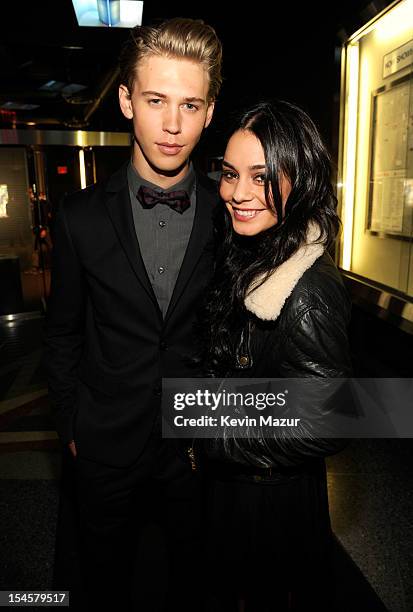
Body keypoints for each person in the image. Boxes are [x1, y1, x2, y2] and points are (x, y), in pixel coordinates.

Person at [44, 18, 222, 611]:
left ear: (210, 111)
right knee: (103, 582)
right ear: (126, 101)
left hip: (195, 446)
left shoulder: (232, 218)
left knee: (193, 582)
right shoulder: (80, 218)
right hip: (103, 445)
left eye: (190, 104)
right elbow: (63, 332)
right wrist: (71, 427)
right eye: (155, 100)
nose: (173, 125)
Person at [200, 100, 352, 611]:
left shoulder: (306, 289)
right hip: (244, 486)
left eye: (261, 177)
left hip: (269, 501)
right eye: (229, 174)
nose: (238, 193)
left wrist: (210, 427)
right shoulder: (256, 251)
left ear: (299, 180)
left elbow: (326, 421)